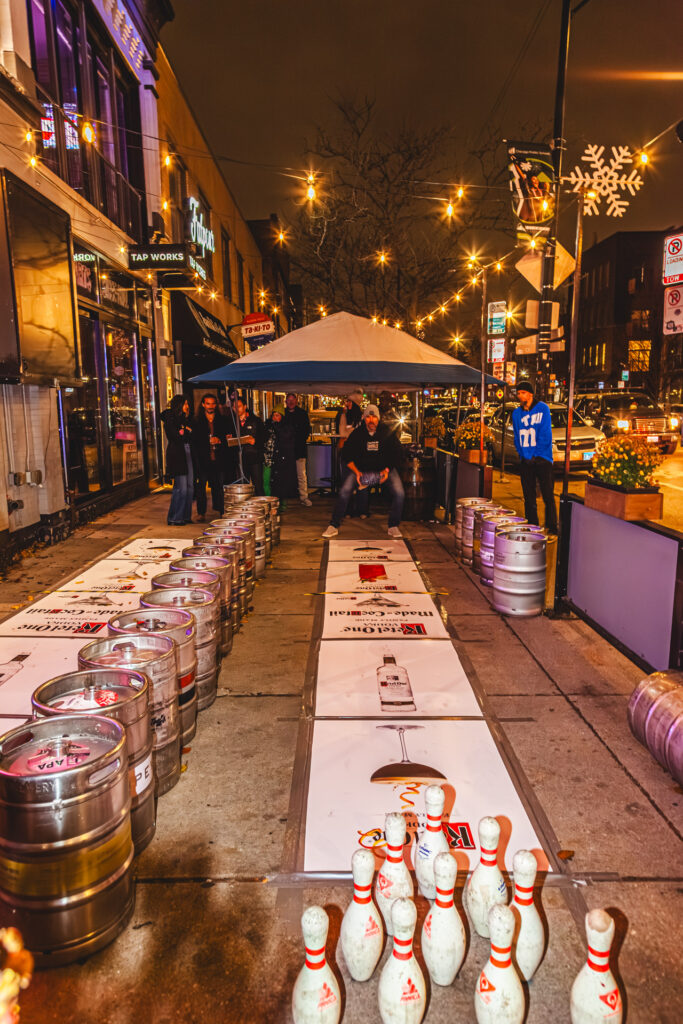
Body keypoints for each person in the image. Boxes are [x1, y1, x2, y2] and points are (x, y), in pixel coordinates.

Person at [322, 404, 405, 538]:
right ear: (364, 418)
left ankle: (393, 525)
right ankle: (333, 525)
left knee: (399, 493)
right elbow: (346, 455)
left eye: (374, 417)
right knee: (344, 492)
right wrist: (357, 472)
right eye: (368, 417)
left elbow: (397, 453)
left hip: (383, 470)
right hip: (359, 470)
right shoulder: (358, 433)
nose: (371, 420)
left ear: (378, 419)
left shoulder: (387, 431)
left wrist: (387, 470)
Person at [511, 381, 558, 534]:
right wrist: (522, 454)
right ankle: (533, 525)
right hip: (526, 460)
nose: (520, 396)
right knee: (528, 496)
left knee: (547, 494)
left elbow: (545, 434)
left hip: (542, 459)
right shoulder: (516, 414)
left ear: (530, 394)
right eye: (518, 393)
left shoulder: (543, 408)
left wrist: (536, 454)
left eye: (523, 393)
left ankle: (552, 526)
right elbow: (517, 436)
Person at [191, 393, 229, 521]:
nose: (211, 406)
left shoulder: (223, 419)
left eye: (213, 403)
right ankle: (201, 513)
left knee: (219, 486)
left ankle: (220, 510)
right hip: (203, 460)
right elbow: (193, 441)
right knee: (201, 487)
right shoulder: (196, 420)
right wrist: (207, 442)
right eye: (208, 403)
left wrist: (220, 440)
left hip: (219, 458)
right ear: (203, 404)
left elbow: (228, 437)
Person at [161, 394, 194, 526]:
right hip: (177, 453)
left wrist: (185, 430)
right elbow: (176, 436)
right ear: (180, 405)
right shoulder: (171, 418)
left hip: (188, 451)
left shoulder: (185, 419)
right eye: (185, 404)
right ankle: (175, 517)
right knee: (181, 488)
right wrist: (185, 431)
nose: (188, 406)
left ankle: (185, 516)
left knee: (190, 486)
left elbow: (191, 434)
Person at [226, 396, 264, 495]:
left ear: (245, 406)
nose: (236, 409)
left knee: (258, 486)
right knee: (243, 487)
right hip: (240, 459)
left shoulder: (256, 420)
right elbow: (228, 441)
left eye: (238, 406)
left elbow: (264, 438)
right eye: (234, 407)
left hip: (255, 457)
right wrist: (228, 438)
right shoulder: (231, 422)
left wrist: (255, 441)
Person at [267, 404, 298, 508]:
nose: (275, 417)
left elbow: (286, 438)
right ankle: (275, 504)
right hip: (271, 457)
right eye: (273, 415)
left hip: (283, 458)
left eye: (277, 415)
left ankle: (281, 505)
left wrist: (276, 427)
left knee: (282, 482)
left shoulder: (286, 427)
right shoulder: (269, 426)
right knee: (273, 482)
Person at [284, 392, 312, 505]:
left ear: (296, 401)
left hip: (299, 449)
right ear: (286, 402)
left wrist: (298, 440)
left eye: (292, 400)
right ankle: (285, 497)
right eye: (288, 400)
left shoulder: (302, 413)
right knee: (285, 474)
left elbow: (306, 430)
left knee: (301, 475)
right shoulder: (283, 414)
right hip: (285, 450)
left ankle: (304, 497)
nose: (290, 402)